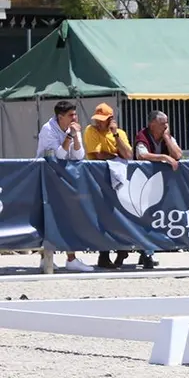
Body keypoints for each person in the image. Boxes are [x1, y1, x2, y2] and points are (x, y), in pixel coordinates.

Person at [36, 100, 92, 273]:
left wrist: (74, 136)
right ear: (60, 117)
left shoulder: (74, 128)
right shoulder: (47, 129)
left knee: (69, 216)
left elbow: (79, 155)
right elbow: (58, 156)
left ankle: (71, 259)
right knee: (45, 218)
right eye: (71, 115)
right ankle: (45, 259)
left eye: (75, 114)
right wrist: (70, 136)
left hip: (65, 179)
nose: (75, 118)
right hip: (45, 177)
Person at [84, 103, 135, 268]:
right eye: (97, 120)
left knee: (121, 216)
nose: (99, 123)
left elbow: (128, 155)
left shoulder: (119, 133)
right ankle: (104, 255)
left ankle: (122, 252)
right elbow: (98, 154)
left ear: (111, 120)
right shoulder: (90, 131)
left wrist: (115, 135)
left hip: (118, 181)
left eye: (103, 120)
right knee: (103, 217)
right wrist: (116, 155)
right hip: (98, 180)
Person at [133, 110, 184, 269]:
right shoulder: (142, 136)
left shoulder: (166, 136)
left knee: (157, 218)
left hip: (162, 185)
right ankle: (147, 252)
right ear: (152, 124)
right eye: (163, 123)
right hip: (141, 184)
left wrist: (168, 139)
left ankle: (148, 251)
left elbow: (178, 155)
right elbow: (142, 155)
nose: (166, 126)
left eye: (167, 123)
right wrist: (163, 157)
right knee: (143, 218)